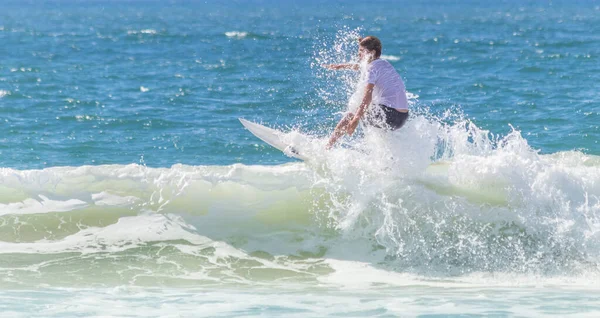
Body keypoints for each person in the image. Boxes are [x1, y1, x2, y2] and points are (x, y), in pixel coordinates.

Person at [323, 36, 409, 148]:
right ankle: (384, 158)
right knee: (376, 120)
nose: (359, 54)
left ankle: (327, 147)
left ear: (372, 52)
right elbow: (362, 66)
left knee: (352, 113)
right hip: (402, 117)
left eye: (362, 51)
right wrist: (341, 66)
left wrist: (355, 119)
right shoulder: (383, 64)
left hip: (391, 115)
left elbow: (367, 96)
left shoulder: (372, 68)